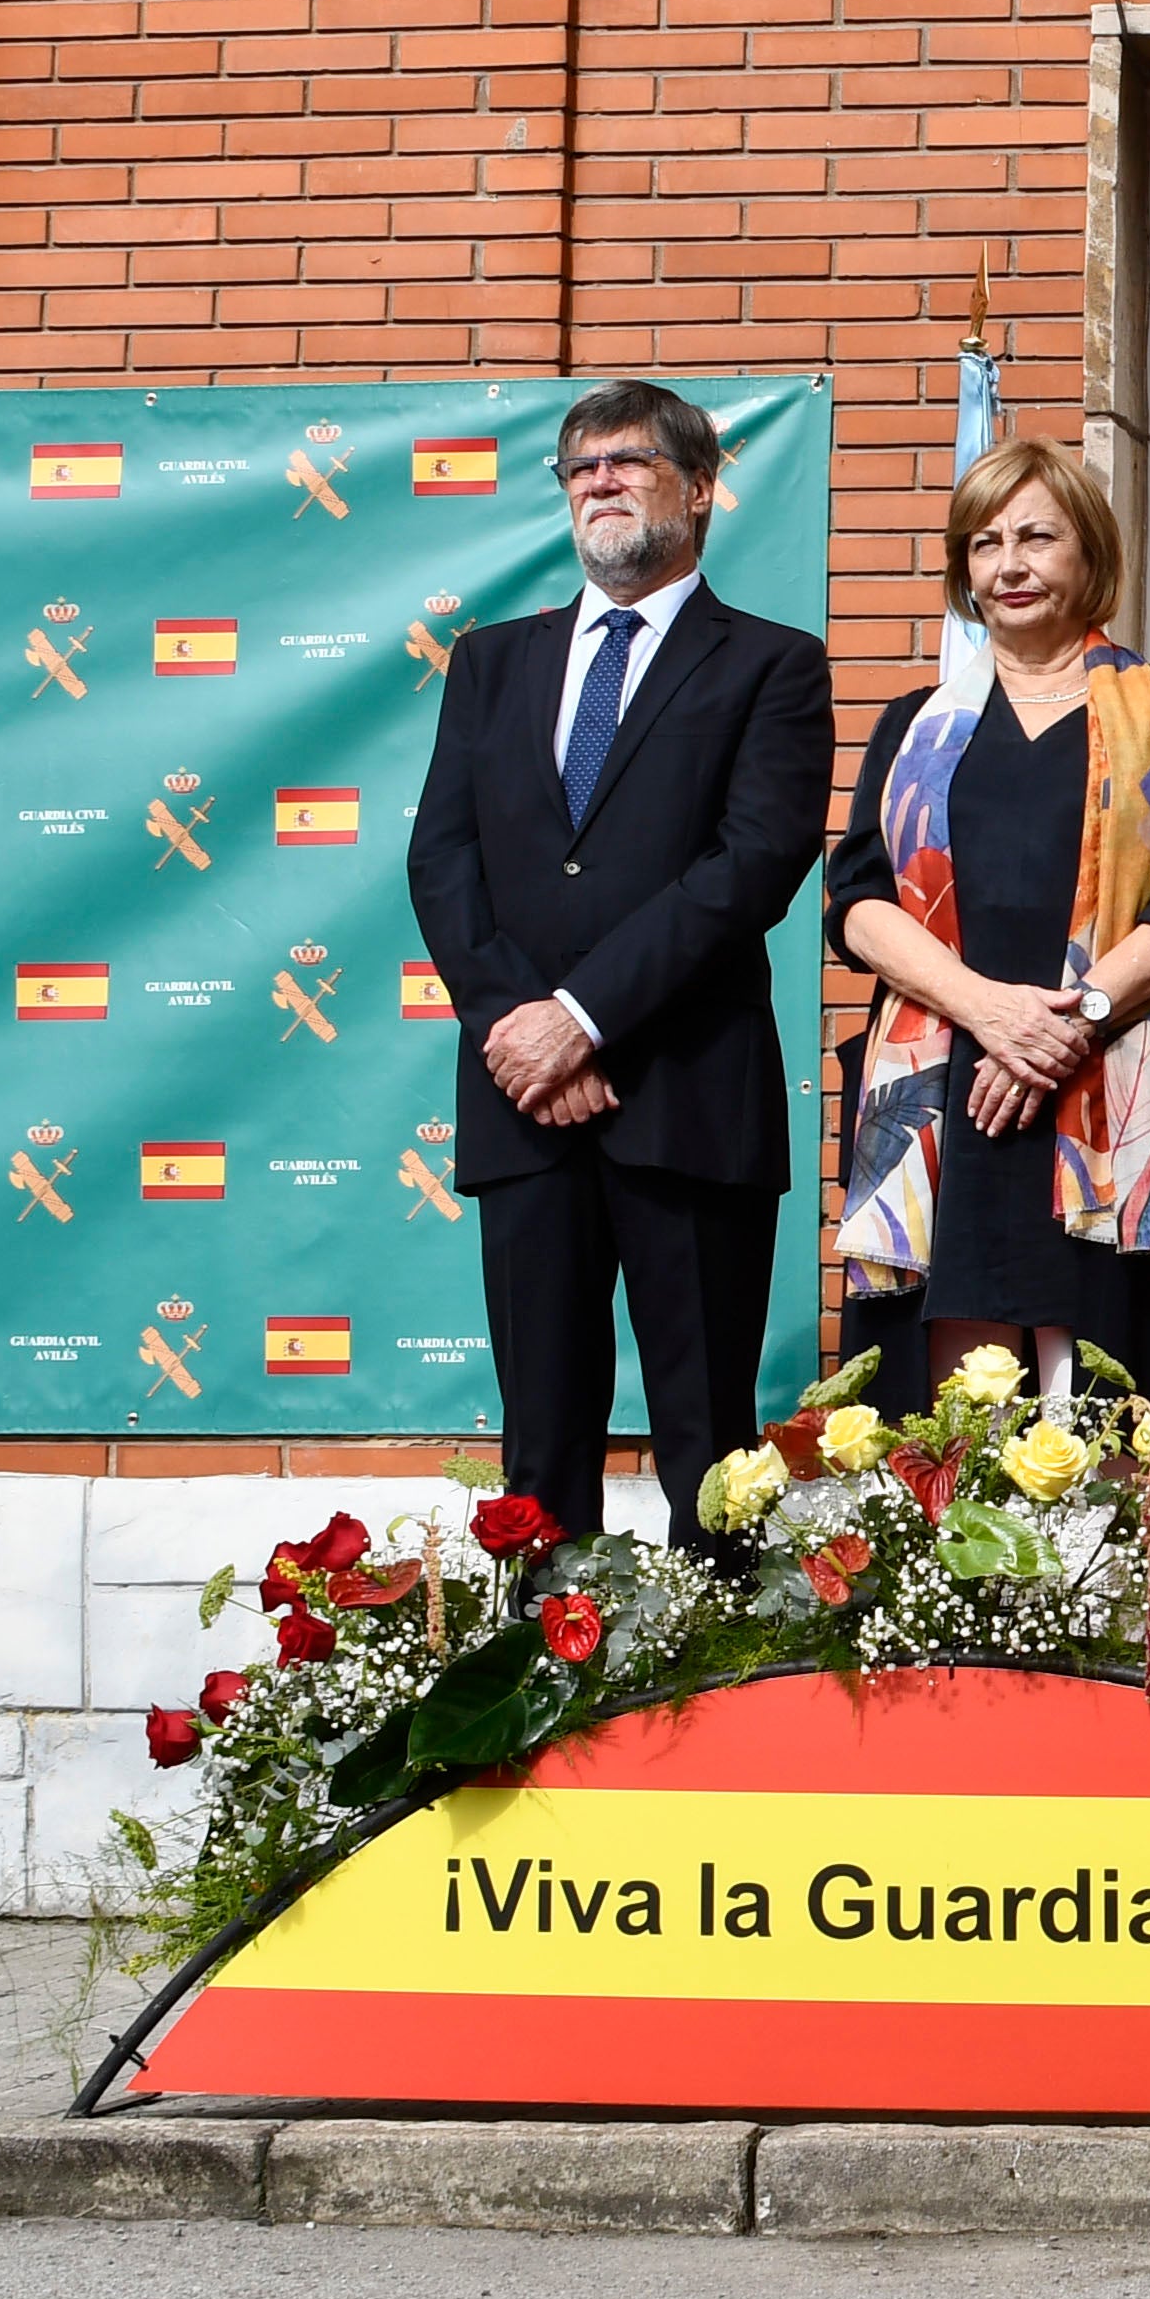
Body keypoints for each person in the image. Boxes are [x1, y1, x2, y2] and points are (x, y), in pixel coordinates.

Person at [406, 380, 835, 1558]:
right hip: (525, 1106)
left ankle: (725, 1707)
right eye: (579, 465)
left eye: (629, 460)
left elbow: (750, 866)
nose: (599, 479)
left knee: (709, 1444)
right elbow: (443, 862)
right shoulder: (491, 663)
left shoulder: (773, 666)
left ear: (699, 488)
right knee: (539, 1443)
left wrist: (585, 1019)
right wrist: (525, 1031)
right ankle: (545, 1697)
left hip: (689, 1098)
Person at [823, 439, 1150, 1431]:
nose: (1009, 564)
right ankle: (954, 1578)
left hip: (1113, 1077)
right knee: (949, 1397)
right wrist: (989, 1012)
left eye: (1036, 536)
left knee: (1111, 1384)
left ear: (1091, 553)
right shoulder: (912, 725)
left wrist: (1070, 1026)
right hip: (943, 1083)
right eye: (984, 542)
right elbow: (855, 899)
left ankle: (1101, 1579)